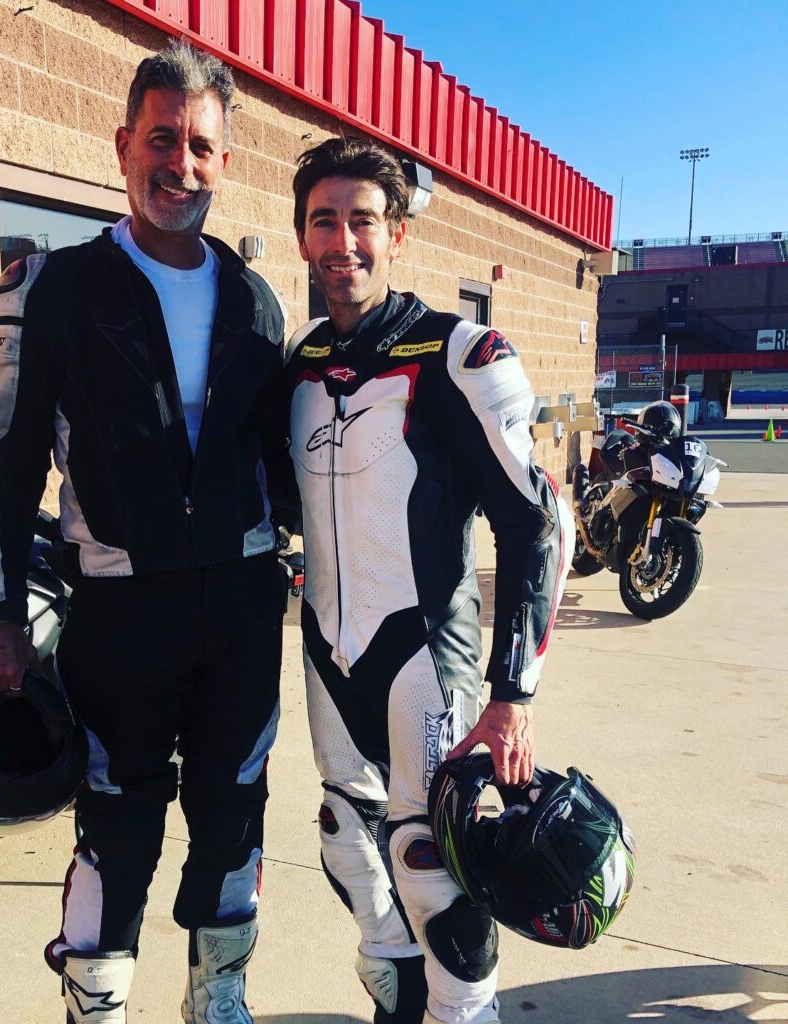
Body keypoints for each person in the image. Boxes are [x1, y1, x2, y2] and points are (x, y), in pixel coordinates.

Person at [0, 41, 294, 1024]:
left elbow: (281, 460)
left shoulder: (257, 298)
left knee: (235, 810)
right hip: (118, 611)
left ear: (223, 161)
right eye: (161, 140)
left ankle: (218, 996)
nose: (179, 166)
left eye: (199, 147)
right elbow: (7, 454)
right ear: (123, 146)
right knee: (117, 819)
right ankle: (97, 1003)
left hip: (241, 608)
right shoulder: (52, 287)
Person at [284, 138, 574, 1024]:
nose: (344, 242)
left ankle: (465, 1013)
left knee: (430, 856)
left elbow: (540, 523)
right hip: (328, 652)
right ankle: (399, 993)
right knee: (346, 837)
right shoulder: (298, 362)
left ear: (397, 234)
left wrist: (512, 695)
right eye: (324, 221)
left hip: (424, 658)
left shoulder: (460, 355)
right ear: (301, 236)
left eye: (363, 221)